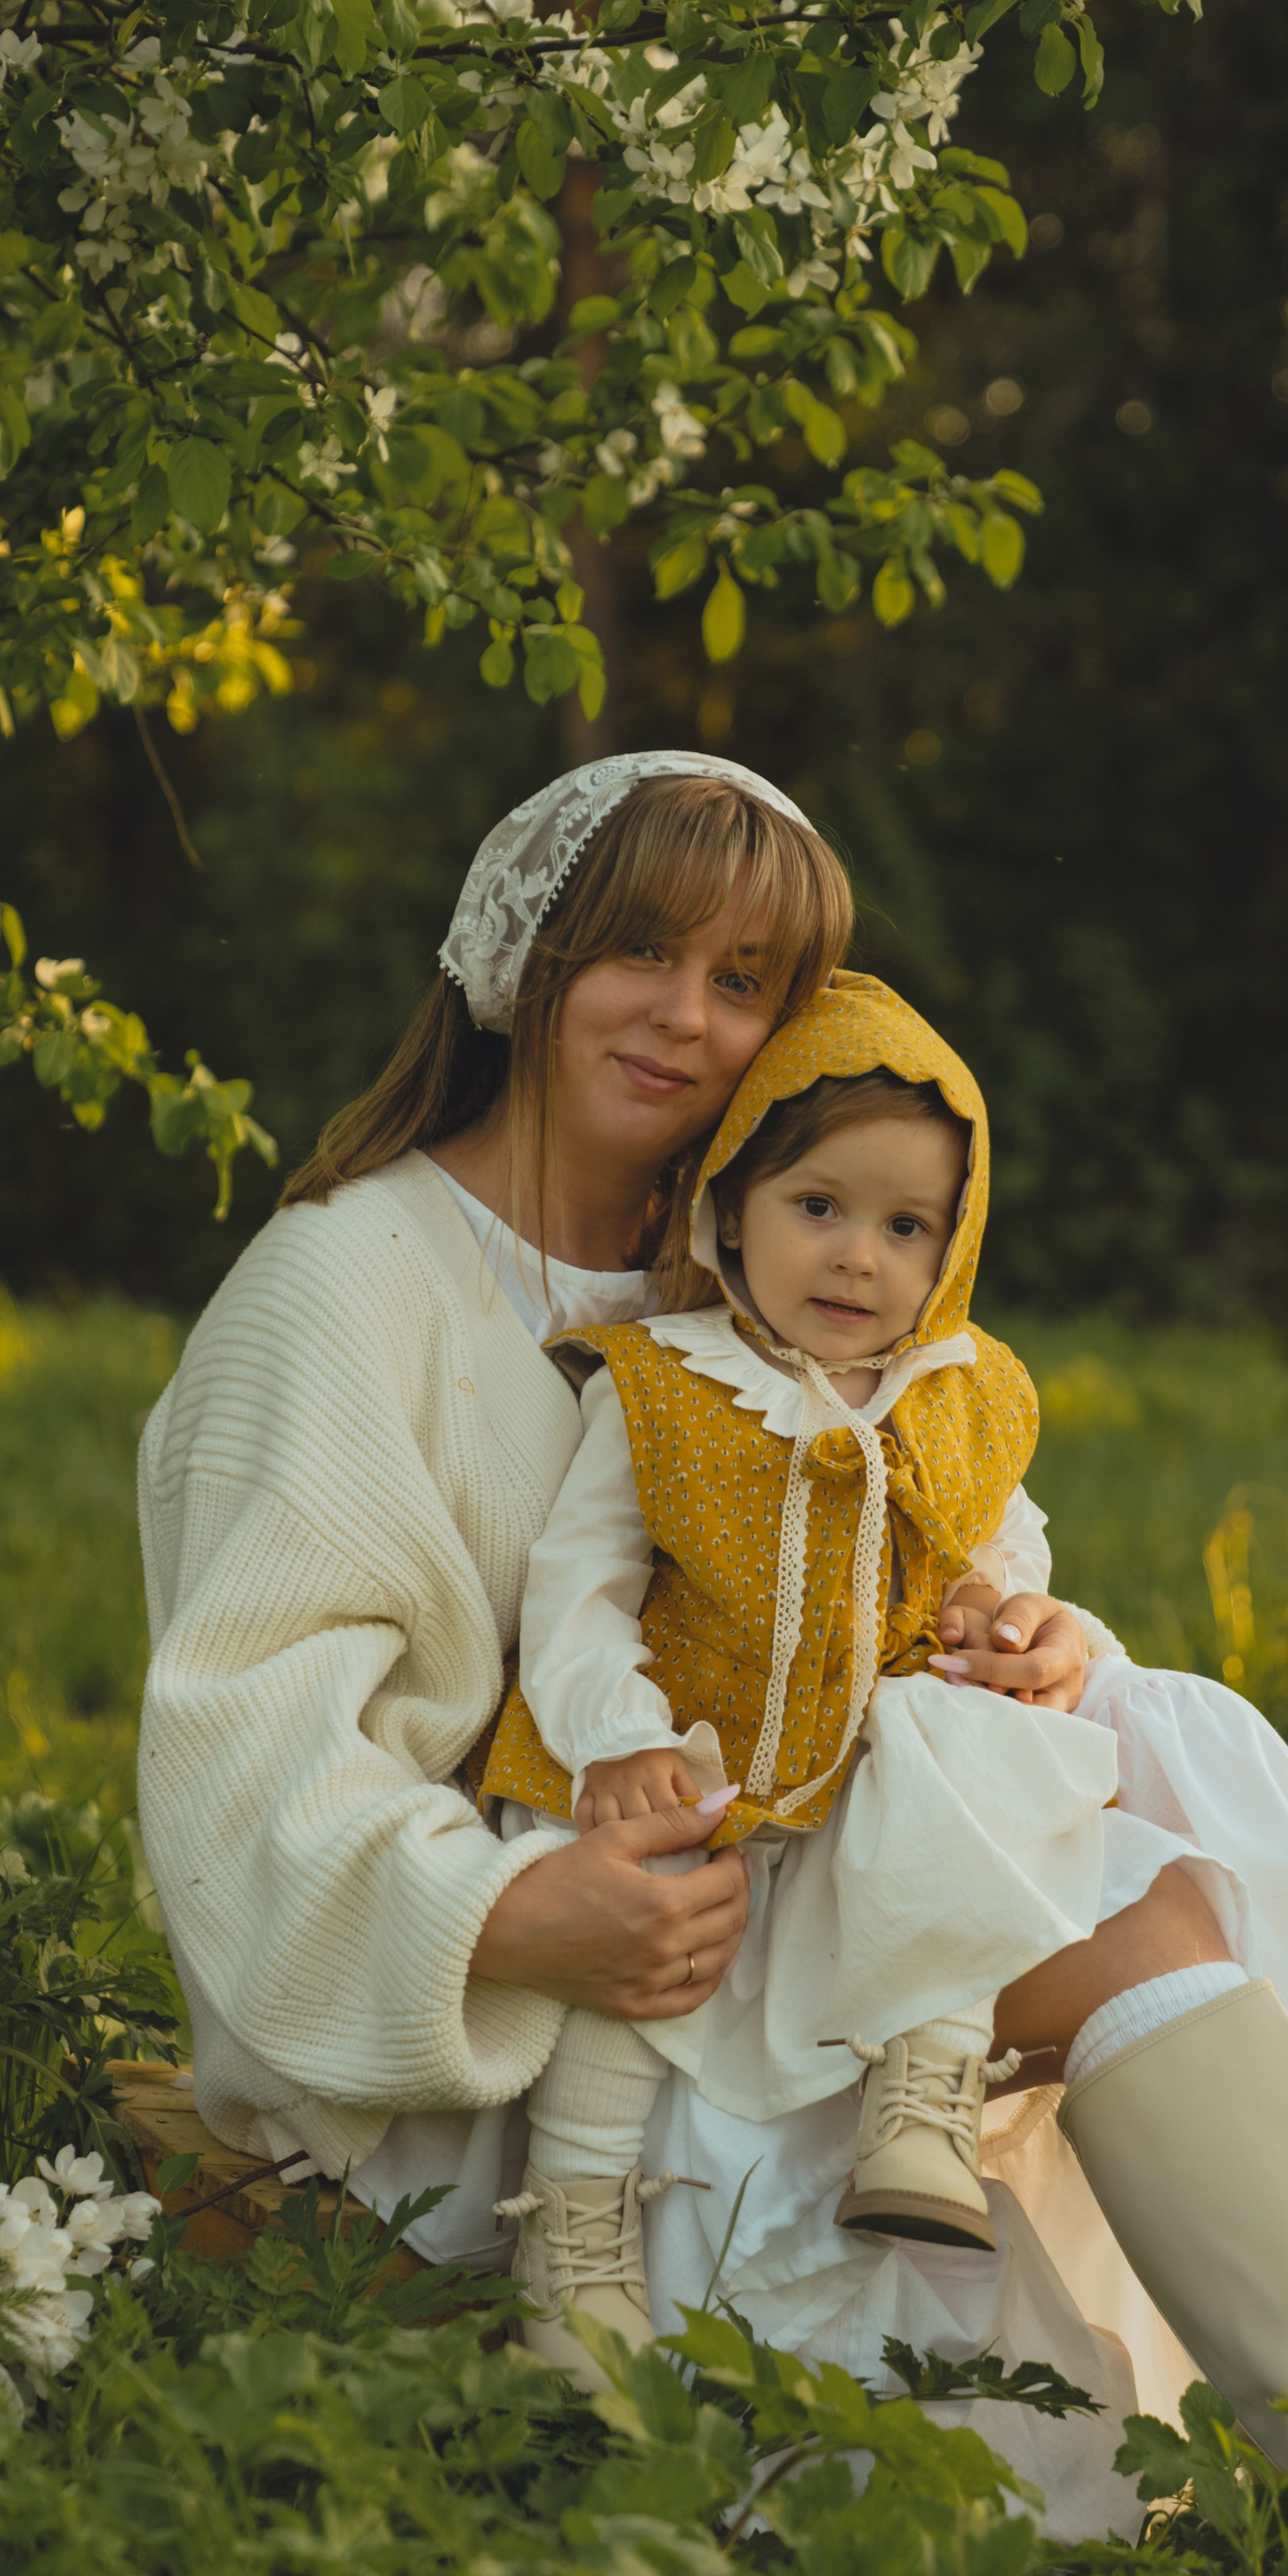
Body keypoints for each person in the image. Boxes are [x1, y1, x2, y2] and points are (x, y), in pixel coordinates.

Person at [136, 751, 1288, 2576]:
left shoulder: (729, 1267)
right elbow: (239, 1778)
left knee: (1137, 1817)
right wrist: (514, 1917)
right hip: (507, 2030)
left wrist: (1026, 1646)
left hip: (760, 1891)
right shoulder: (340, 1291)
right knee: (1126, 1917)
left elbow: (859, 1584)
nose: (686, 1021)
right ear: (520, 955)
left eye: (745, 988)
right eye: (639, 953)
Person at [479, 974, 1123, 2379]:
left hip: (851, 1781)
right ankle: (572, 2243)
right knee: (641, 1911)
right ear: (729, 1210)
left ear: (950, 1251)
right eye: (817, 1207)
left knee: (985, 1755)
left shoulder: (957, 1391)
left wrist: (1005, 1617)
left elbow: (1009, 1542)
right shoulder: (663, 1384)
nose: (857, 1261)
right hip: (683, 1760)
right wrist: (613, 1739)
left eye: (906, 1229)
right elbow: (576, 1591)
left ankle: (923, 2089)